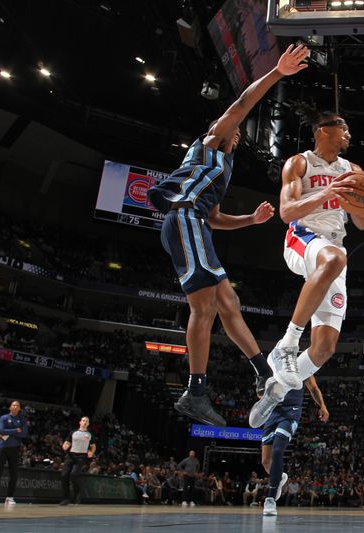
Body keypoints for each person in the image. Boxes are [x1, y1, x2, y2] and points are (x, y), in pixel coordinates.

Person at [147, 44, 310, 427]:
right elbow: (240, 102)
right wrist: (277, 74)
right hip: (184, 221)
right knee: (203, 309)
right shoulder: (209, 144)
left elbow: (216, 218)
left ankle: (262, 372)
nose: (236, 130)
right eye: (234, 127)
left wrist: (250, 220)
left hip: (197, 224)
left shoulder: (224, 167)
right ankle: (196, 391)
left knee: (229, 302)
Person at [249, 103, 364, 428]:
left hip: (334, 248)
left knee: (324, 348)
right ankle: (287, 344)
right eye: (342, 127)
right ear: (323, 130)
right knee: (334, 257)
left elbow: (361, 223)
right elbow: (287, 212)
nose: (347, 133)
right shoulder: (300, 163)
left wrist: (357, 200)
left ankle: (276, 390)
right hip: (303, 237)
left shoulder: (353, 168)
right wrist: (326, 193)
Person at [261, 375, 329, 516]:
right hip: (271, 412)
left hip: (291, 412)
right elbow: (261, 392)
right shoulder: (273, 364)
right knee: (266, 462)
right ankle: (279, 477)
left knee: (278, 451)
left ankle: (270, 498)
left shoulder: (302, 365)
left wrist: (322, 405)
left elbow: (314, 388)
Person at [0, 400, 29, 506]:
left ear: (20, 408)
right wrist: (16, 430)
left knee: (14, 473)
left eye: (17, 406)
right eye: (13, 405)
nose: (15, 407)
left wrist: (10, 431)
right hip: (2, 447)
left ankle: (10, 497)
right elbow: (1, 431)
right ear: (10, 407)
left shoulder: (22, 420)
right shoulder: (4, 418)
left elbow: (24, 433)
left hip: (15, 448)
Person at [59, 416, 96, 505]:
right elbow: (67, 443)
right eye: (83, 421)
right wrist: (64, 446)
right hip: (71, 455)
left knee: (73, 475)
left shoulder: (89, 434)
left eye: (86, 421)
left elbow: (93, 446)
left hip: (81, 457)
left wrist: (91, 452)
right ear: (80, 422)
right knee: (64, 475)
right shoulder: (73, 432)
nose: (85, 422)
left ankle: (77, 496)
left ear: (88, 424)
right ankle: (65, 498)